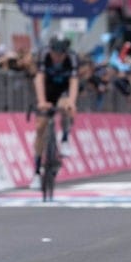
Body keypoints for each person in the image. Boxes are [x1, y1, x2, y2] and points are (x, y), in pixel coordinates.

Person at [30, 35, 79, 190]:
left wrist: (72, 101)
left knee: (66, 105)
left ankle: (65, 138)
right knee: (40, 128)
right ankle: (37, 172)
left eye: (61, 54)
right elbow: (38, 79)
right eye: (55, 53)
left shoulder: (72, 58)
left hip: (63, 90)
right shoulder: (44, 54)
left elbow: (74, 82)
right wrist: (41, 102)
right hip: (47, 89)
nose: (57, 57)